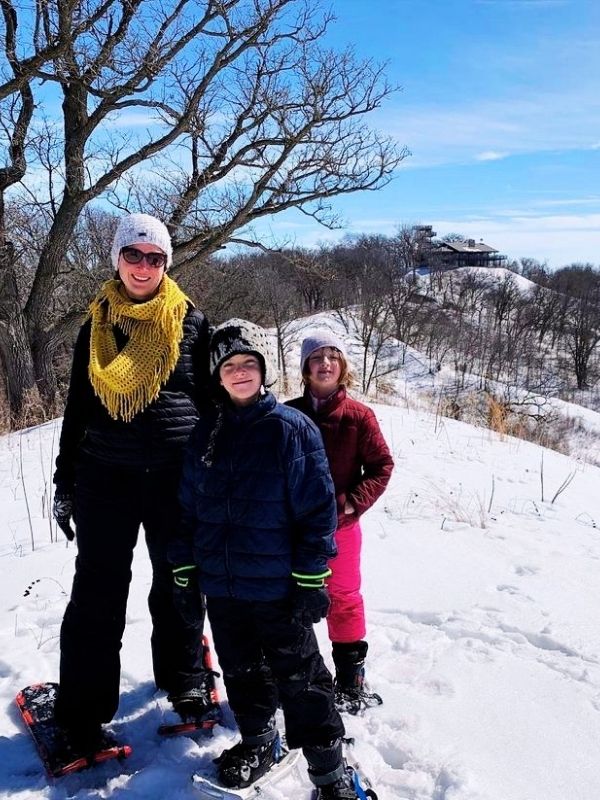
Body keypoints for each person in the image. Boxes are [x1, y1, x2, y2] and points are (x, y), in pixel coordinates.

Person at [171, 319, 365, 800]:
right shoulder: (206, 435)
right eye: (229, 366)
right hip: (224, 585)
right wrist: (185, 568)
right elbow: (187, 508)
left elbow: (317, 511)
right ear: (217, 376)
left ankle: (330, 771)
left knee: (302, 680)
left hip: (279, 588)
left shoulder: (290, 429)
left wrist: (310, 579)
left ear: (263, 371)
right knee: (241, 671)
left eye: (248, 364)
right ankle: (259, 742)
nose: (239, 373)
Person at [52, 213, 215, 751]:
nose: (143, 266)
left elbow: (213, 405)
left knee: (179, 584)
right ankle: (82, 709)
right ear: (117, 259)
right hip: (106, 478)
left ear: (166, 264)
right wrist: (65, 481)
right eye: (133, 255)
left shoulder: (190, 322)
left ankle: (187, 682)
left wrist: (216, 475)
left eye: (154, 258)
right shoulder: (94, 324)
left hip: (175, 477)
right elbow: (77, 408)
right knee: (98, 592)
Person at [287, 330, 394, 714]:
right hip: (292, 530)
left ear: (343, 366)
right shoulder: (288, 413)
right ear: (305, 368)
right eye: (317, 357)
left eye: (333, 356)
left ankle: (351, 680)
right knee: (286, 600)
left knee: (344, 600)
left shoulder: (358, 416)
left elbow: (382, 466)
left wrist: (352, 503)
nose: (325, 363)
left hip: (340, 530)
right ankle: (294, 675)